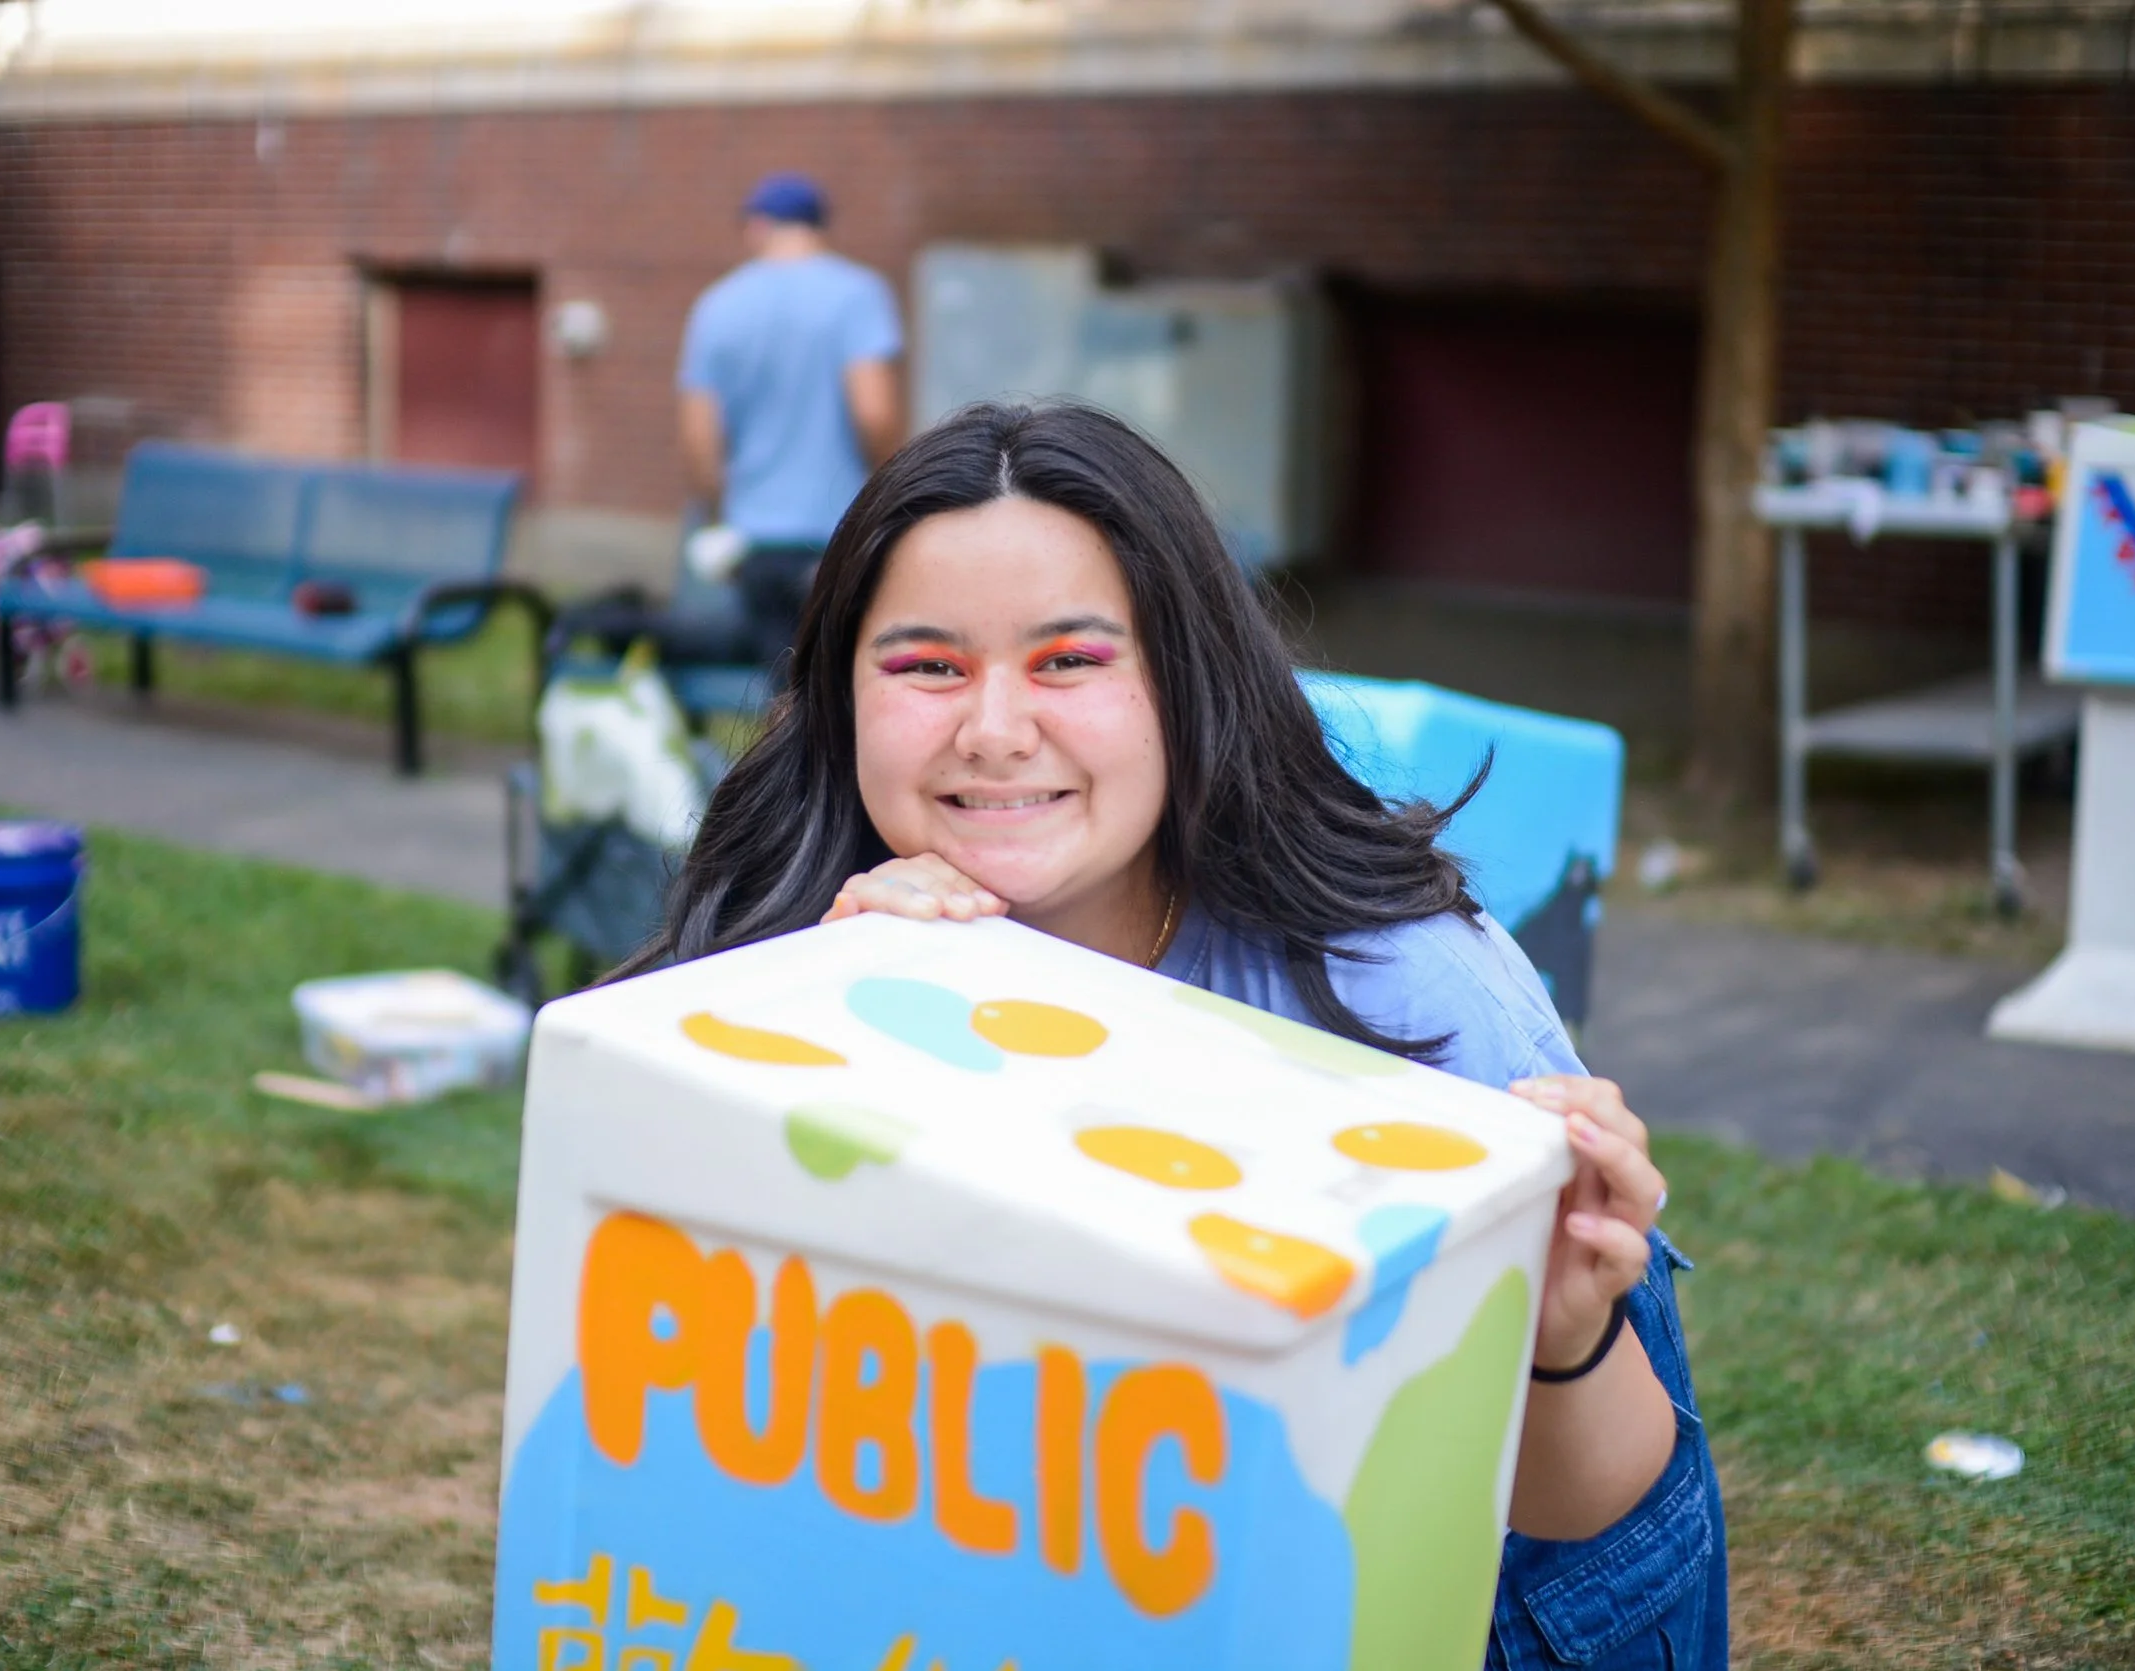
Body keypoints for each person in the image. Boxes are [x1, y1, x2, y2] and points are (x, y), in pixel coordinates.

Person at [608, 401, 1727, 1668]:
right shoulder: (800, 953)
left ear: (1184, 680)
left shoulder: (1406, 996)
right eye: (926, 666)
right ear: (841, 692)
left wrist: (1566, 1330)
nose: (991, 729)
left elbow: (1582, 1509)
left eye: (1070, 661)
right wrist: (854, 1022)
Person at [674, 170, 905, 667]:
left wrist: (716, 520)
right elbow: (875, 411)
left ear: (757, 227)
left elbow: (698, 437)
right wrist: (891, 494)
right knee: (836, 687)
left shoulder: (717, 305)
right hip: (837, 539)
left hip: (753, 542)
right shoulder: (858, 294)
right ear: (819, 228)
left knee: (776, 689)